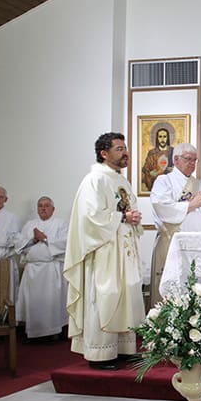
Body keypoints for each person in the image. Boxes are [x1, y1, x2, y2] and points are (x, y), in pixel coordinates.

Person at [63, 132, 145, 370]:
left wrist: (134, 218)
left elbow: (128, 210)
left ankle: (122, 349)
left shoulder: (121, 180)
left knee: (125, 296)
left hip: (124, 250)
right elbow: (90, 218)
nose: (125, 152)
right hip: (105, 252)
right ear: (104, 153)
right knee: (105, 297)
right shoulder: (95, 179)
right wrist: (123, 217)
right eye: (119, 149)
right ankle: (100, 355)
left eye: (125, 148)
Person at [149, 142, 201, 307]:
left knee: (197, 289)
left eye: (195, 160)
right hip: (172, 243)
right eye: (188, 159)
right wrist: (193, 204)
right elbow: (162, 208)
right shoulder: (164, 181)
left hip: (197, 247)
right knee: (173, 290)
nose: (192, 164)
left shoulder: (200, 184)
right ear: (176, 159)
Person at [14, 196, 68, 341]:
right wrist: (33, 239)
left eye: (46, 206)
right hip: (32, 271)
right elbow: (18, 244)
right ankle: (32, 333)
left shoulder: (60, 224)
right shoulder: (29, 224)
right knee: (32, 303)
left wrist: (45, 238)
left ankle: (53, 332)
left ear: (53, 209)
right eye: (40, 206)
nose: (43, 208)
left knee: (50, 303)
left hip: (51, 270)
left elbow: (65, 243)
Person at [141, 127, 175, 192]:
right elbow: (146, 169)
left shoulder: (173, 151)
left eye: (164, 136)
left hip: (170, 185)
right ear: (157, 138)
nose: (162, 139)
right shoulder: (152, 153)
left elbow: (180, 168)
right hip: (156, 184)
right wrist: (150, 173)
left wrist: (174, 169)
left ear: (167, 138)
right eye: (160, 136)